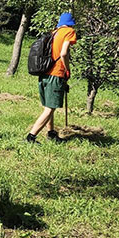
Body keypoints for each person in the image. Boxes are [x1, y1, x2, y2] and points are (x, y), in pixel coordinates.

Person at [26, 12, 78, 144]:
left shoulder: (54, 32)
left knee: (48, 106)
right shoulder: (69, 32)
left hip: (45, 73)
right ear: (71, 23)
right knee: (50, 108)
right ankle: (31, 137)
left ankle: (51, 133)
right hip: (56, 73)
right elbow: (64, 53)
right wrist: (67, 69)